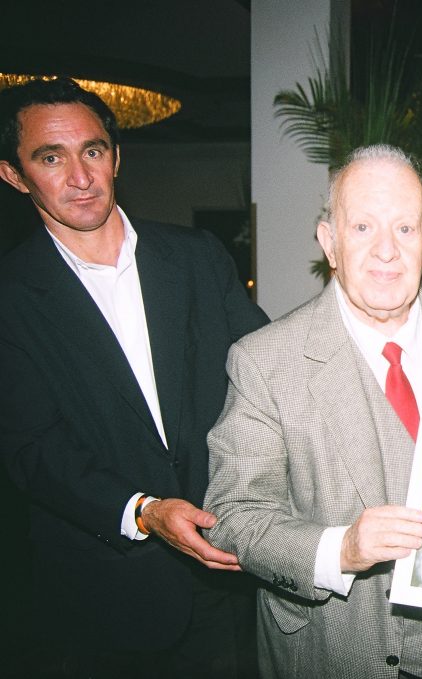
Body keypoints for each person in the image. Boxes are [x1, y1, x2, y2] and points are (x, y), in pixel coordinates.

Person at [203, 144, 422, 679]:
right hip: (337, 650)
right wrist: (341, 549)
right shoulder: (264, 361)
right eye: (363, 228)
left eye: (404, 228)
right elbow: (235, 515)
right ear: (330, 242)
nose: (386, 251)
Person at [0, 77, 268, 677]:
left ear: (116, 157)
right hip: (106, 597)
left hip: (229, 574)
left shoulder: (197, 256)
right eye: (51, 158)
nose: (80, 177)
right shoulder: (11, 297)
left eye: (92, 151)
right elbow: (33, 449)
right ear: (14, 175)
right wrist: (145, 511)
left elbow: (267, 368)